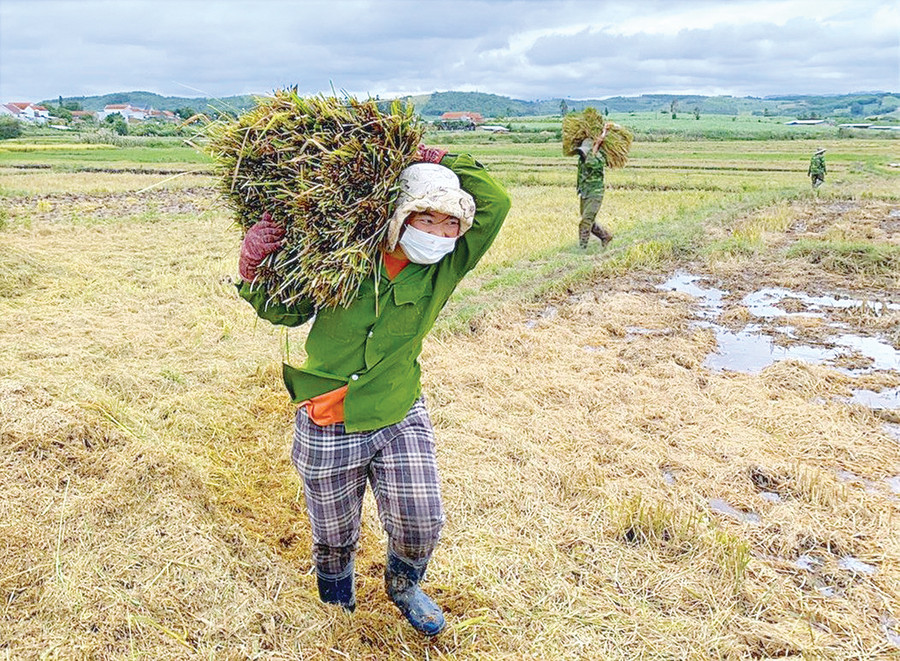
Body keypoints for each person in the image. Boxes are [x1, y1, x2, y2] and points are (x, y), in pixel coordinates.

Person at [236, 145, 511, 636]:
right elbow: (284, 311)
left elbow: (497, 203)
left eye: (452, 224)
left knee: (421, 521)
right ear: (400, 215)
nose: (441, 234)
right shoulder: (343, 257)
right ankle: (336, 594)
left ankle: (404, 585)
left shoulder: (444, 267)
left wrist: (446, 157)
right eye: (427, 218)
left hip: (397, 411)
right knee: (334, 536)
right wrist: (253, 268)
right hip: (326, 419)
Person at [574, 121, 614, 249]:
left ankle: (582, 249)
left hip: (595, 193)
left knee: (585, 221)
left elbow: (592, 162)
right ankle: (605, 236)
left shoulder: (598, 159)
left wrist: (598, 143)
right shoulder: (582, 158)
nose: (583, 154)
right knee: (588, 220)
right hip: (585, 192)